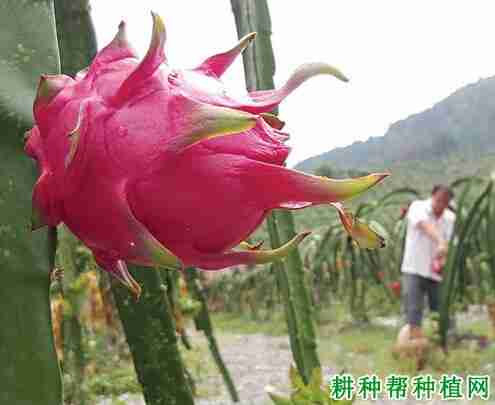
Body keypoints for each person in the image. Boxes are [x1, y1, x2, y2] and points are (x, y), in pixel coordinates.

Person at [400, 185, 455, 340]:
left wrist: (444, 256)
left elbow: (450, 241)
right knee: (413, 309)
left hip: (436, 272)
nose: (440, 204)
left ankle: (443, 342)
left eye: (445, 202)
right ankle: (413, 345)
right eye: (438, 200)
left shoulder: (450, 218)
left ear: (449, 202)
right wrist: (441, 242)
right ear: (432, 196)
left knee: (440, 309)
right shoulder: (418, 207)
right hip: (414, 268)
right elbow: (424, 226)